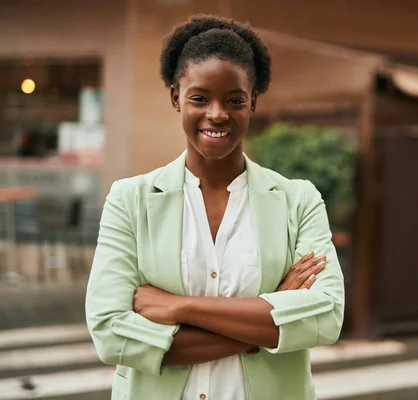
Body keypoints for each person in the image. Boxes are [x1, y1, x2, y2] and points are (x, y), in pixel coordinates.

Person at [85, 14, 344, 400]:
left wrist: (180, 307)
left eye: (235, 99)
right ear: (176, 97)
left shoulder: (298, 200)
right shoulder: (130, 200)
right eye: (200, 98)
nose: (217, 113)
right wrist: (264, 320)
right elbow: (110, 333)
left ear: (253, 101)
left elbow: (325, 315)